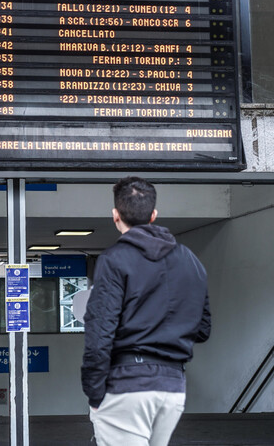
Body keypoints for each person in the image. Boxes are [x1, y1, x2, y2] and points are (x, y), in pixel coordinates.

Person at [81, 177, 211, 446]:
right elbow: (203, 328)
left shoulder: (114, 260)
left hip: (127, 386)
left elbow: (99, 333)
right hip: (173, 387)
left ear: (115, 216)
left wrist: (95, 395)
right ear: (154, 215)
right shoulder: (190, 260)